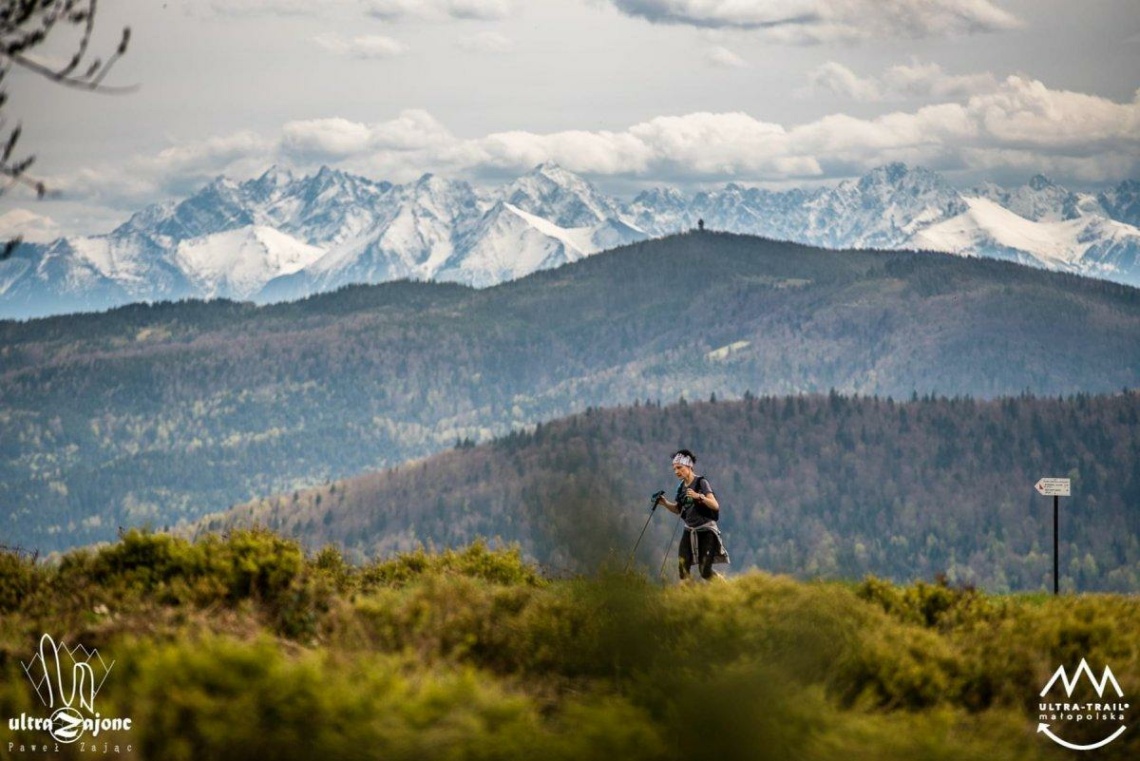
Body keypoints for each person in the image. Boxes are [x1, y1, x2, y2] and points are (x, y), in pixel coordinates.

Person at [655, 449, 729, 580]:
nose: (676, 471)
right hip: (689, 530)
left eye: (679, 468)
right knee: (683, 567)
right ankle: (687, 596)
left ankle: (724, 587)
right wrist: (665, 503)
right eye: (674, 469)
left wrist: (698, 496)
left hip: (706, 530)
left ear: (689, 466)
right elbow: (678, 509)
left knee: (704, 571)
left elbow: (715, 505)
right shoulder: (681, 488)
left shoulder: (701, 482)